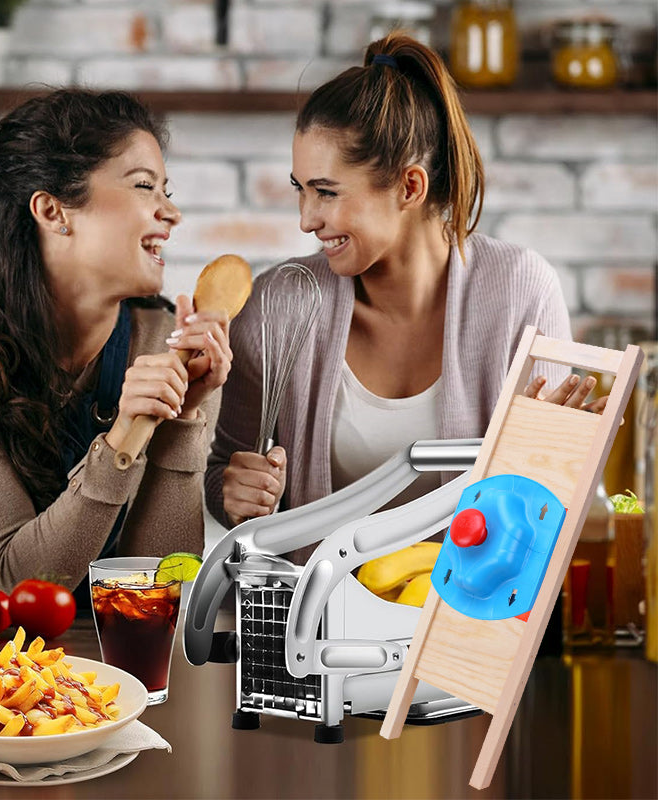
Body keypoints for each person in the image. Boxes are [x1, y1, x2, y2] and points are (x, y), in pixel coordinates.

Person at [206, 33, 604, 555]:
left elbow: (554, 509)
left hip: (469, 625)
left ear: (410, 187)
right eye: (299, 189)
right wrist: (234, 493)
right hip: (314, 629)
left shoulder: (521, 293)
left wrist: (544, 455)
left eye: (326, 192)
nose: (306, 219)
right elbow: (224, 474)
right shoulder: (278, 303)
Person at [0, 89, 232, 597]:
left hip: (85, 649)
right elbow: (21, 582)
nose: (171, 213)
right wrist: (123, 438)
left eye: (166, 190)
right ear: (52, 209)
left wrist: (185, 420)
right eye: (145, 186)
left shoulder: (164, 341)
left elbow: (157, 587)